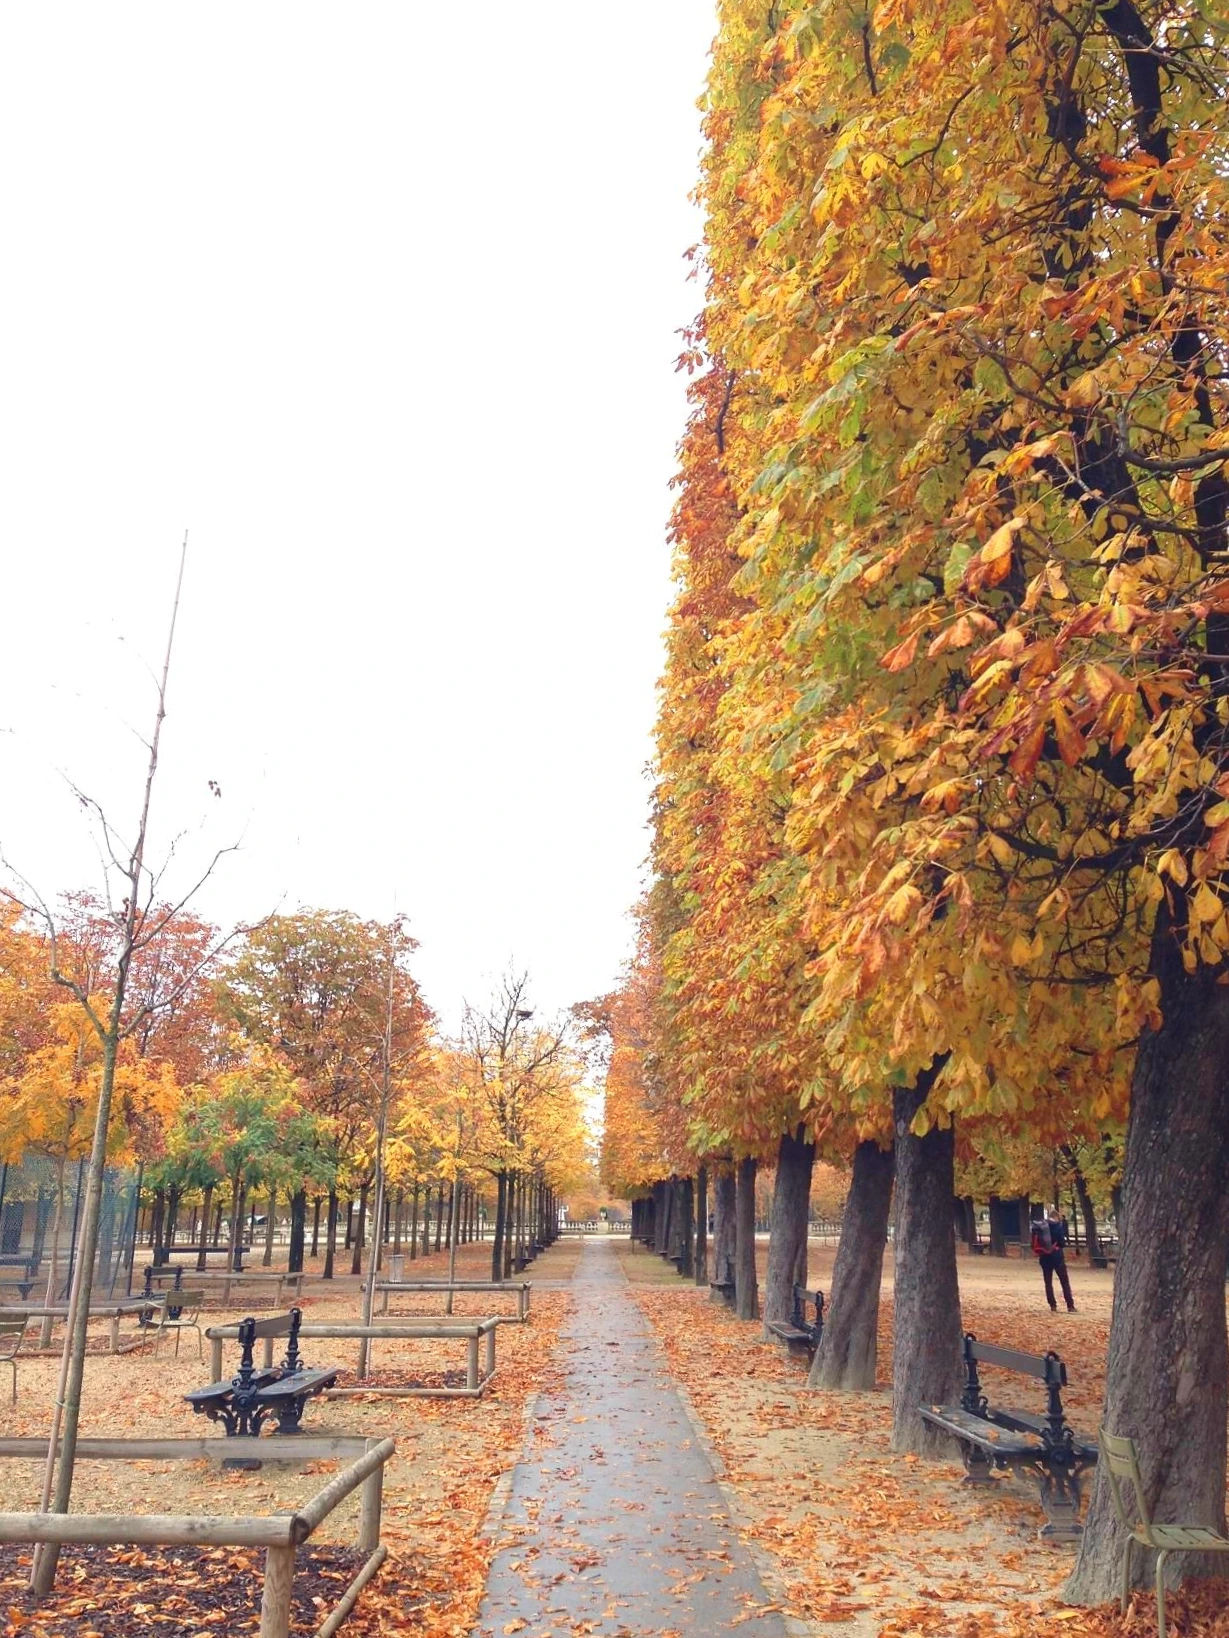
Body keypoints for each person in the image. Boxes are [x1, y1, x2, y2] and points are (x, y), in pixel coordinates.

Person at [1031, 1206, 1076, 1312]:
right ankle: (1070, 1305)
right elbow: (1062, 1243)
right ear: (1056, 1217)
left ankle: (1052, 1305)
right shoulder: (1057, 1226)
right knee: (1064, 1281)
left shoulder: (1040, 1227)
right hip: (1057, 1256)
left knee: (1048, 1281)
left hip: (1044, 1256)